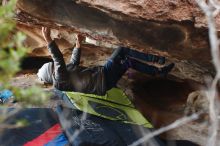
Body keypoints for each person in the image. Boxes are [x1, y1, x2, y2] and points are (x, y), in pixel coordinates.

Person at [37, 27, 174, 95]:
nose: (54, 66)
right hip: (102, 79)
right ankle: (157, 59)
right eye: (52, 67)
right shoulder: (59, 80)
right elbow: (58, 59)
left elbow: (73, 62)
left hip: (103, 82)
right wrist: (48, 40)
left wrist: (78, 44)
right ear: (51, 73)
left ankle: (158, 72)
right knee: (123, 50)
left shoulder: (64, 75)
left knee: (128, 62)